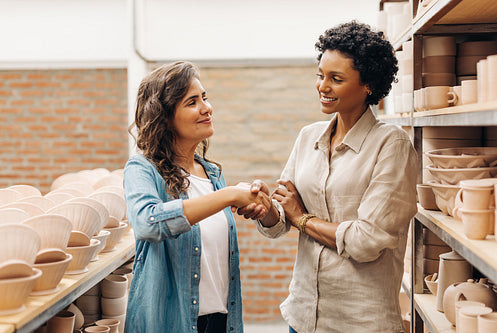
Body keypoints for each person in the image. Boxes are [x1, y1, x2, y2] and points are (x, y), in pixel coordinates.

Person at [239, 21, 418, 333]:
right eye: (320, 76)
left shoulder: (391, 144)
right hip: (303, 316)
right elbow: (281, 219)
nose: (322, 86)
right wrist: (266, 208)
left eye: (336, 79)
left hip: (360, 322)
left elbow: (365, 241)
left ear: (368, 85)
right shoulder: (309, 137)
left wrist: (302, 218)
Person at [123, 61, 270, 333]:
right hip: (170, 322)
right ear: (164, 117)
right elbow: (147, 222)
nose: (206, 107)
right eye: (192, 102)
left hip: (220, 321)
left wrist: (254, 202)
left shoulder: (212, 173)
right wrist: (228, 196)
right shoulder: (142, 169)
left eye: (204, 97)